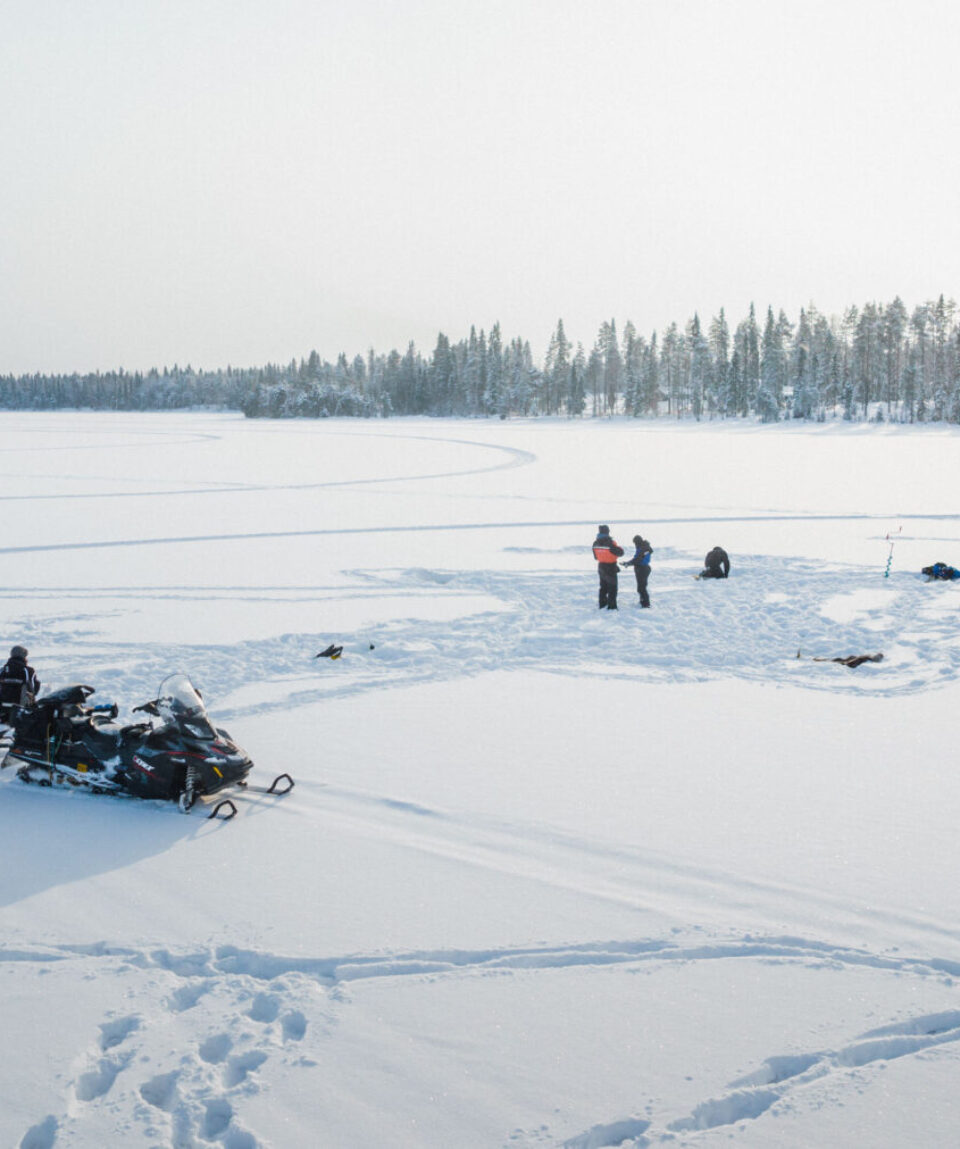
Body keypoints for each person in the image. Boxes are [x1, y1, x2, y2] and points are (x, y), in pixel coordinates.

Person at [0, 645, 41, 722]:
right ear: (23, 657)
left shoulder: (2, 670)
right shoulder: (28, 671)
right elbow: (32, 688)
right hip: (21, 708)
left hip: (3, 708)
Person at [592, 525, 624, 610]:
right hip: (610, 566)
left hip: (601, 566)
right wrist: (619, 548)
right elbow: (620, 553)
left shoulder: (595, 543)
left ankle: (602, 604)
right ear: (607, 532)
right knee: (612, 587)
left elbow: (595, 557)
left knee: (603, 587)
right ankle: (612, 606)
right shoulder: (610, 543)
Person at [623, 534, 653, 607]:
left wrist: (628, 563)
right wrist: (628, 563)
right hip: (643, 568)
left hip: (642, 569)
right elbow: (638, 558)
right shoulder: (644, 547)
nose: (635, 544)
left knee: (641, 588)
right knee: (642, 587)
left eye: (635, 543)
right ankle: (643, 601)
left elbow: (638, 559)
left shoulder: (643, 548)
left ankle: (645, 604)